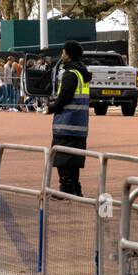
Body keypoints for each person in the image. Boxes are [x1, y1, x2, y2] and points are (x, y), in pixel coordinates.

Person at [48, 40, 91, 195]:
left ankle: (66, 188)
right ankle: (75, 188)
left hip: (66, 123)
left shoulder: (70, 74)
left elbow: (64, 98)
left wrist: (50, 108)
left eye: (63, 52)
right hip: (80, 124)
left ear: (68, 54)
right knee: (74, 159)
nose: (62, 55)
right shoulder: (81, 73)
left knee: (63, 159)